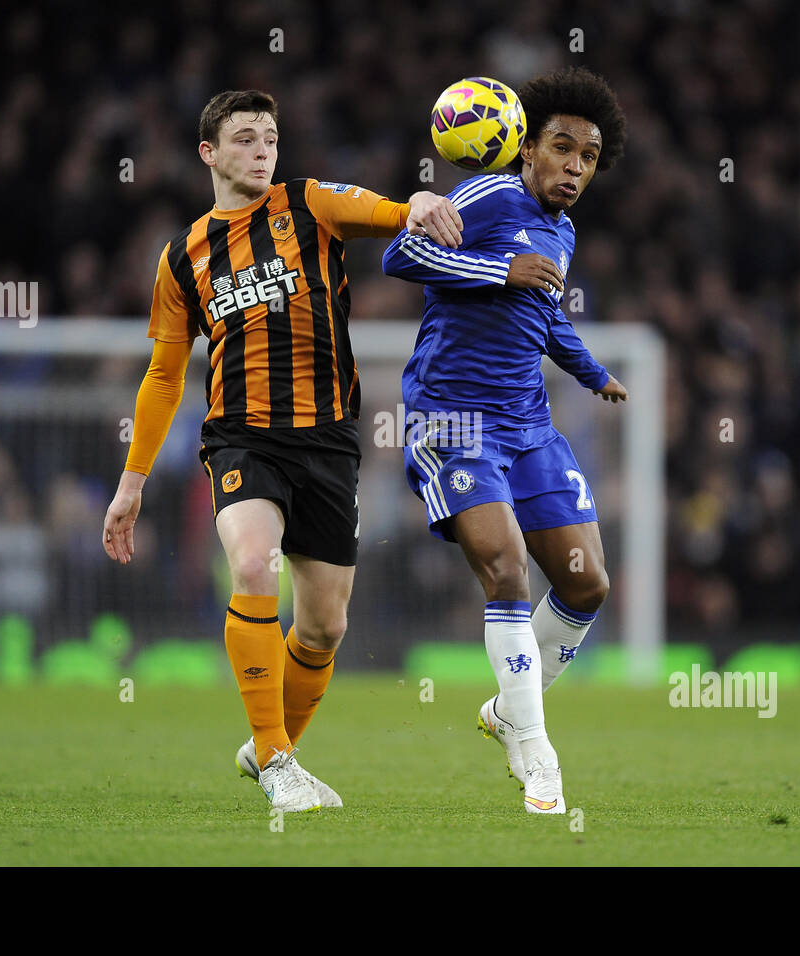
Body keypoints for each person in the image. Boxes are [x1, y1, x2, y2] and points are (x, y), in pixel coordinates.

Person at [102, 89, 462, 812]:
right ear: (209, 153)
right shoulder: (183, 256)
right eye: (244, 138)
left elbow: (383, 212)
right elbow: (165, 375)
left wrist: (416, 204)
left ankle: (273, 748)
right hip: (241, 439)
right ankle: (274, 761)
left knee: (325, 625)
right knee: (254, 563)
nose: (262, 149)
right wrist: (131, 482)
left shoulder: (309, 204)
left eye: (269, 136)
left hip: (329, 442)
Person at [382, 67, 628, 814]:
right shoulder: (489, 195)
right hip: (451, 419)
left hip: (527, 427)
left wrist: (593, 372)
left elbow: (545, 313)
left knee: (587, 583)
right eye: (562, 148)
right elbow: (402, 256)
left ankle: (507, 711)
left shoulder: (564, 230)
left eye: (587, 158)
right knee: (507, 567)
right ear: (526, 149)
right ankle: (536, 748)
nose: (574, 168)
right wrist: (498, 268)